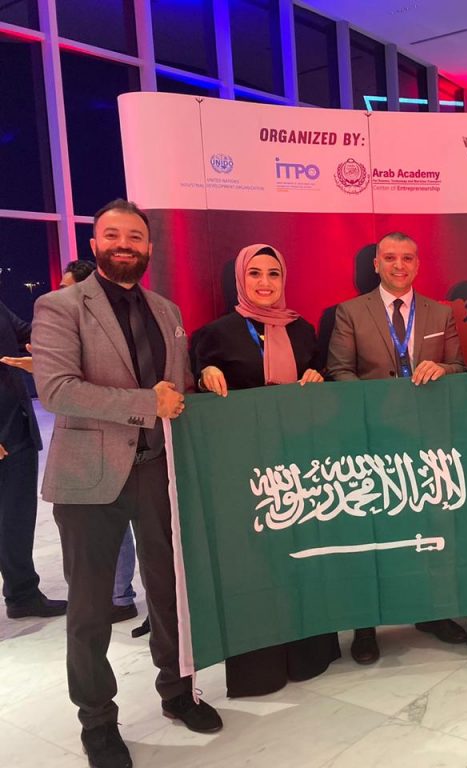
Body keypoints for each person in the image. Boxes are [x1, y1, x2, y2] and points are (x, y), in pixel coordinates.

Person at [31, 199, 222, 768]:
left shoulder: (166, 310)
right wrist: (144, 403)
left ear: (148, 247)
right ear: (95, 245)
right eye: (111, 235)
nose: (123, 244)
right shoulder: (60, 305)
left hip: (158, 471)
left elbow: (173, 389)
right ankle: (97, 721)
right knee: (91, 609)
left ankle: (178, 692)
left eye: (134, 236)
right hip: (88, 479)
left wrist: (203, 378)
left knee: (169, 593)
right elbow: (57, 390)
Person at [191, 243, 342, 697]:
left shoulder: (302, 330)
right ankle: (259, 669)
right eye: (254, 273)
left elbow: (322, 380)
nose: (264, 282)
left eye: (273, 274)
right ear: (240, 279)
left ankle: (309, 655)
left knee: (303, 555)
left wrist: (318, 377)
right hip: (245, 469)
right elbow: (196, 381)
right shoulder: (216, 334)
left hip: (298, 465)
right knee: (256, 564)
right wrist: (204, 375)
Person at [324, 231, 467, 664]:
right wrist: (378, 410)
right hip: (372, 442)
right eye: (390, 258)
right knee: (372, 535)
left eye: (407, 258)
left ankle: (431, 612)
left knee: (429, 530)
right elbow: (339, 372)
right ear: (376, 264)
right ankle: (366, 626)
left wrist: (441, 369)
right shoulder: (350, 312)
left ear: (418, 264)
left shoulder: (440, 313)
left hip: (427, 442)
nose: (399, 265)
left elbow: (460, 367)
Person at [59, 259, 142, 624]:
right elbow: (61, 389)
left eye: (69, 288)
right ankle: (118, 596)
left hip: (135, 444)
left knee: (130, 530)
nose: (64, 295)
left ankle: (122, 597)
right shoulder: (63, 321)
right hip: (87, 451)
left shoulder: (138, 317)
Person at [0, 301, 66, 620]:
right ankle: (21, 593)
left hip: (16, 426)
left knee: (17, 519)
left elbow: (28, 332)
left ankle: (22, 593)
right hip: (5, 433)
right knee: (11, 519)